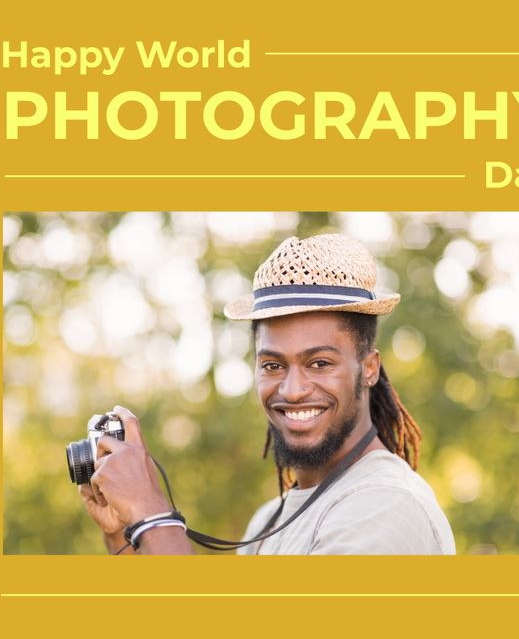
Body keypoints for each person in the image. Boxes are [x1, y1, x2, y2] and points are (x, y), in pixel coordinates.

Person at [79, 234, 456, 555]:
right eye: (273, 365)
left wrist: (151, 513)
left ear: (369, 368)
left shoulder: (385, 506)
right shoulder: (269, 521)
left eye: (320, 363)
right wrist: (125, 534)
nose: (292, 390)